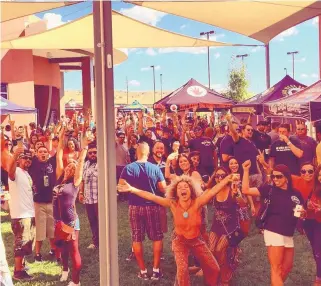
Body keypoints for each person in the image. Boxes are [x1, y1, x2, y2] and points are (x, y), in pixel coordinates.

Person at [118, 174, 238, 286]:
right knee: (182, 270)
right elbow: (151, 196)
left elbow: (212, 191)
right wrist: (132, 189)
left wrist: (227, 179)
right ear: (176, 192)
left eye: (186, 186)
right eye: (180, 187)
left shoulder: (198, 202)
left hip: (196, 241)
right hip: (180, 241)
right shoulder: (172, 204)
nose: (183, 189)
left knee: (214, 268)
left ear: (191, 190)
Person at [242, 160, 305, 286]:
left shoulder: (296, 193)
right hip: (273, 230)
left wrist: (303, 214)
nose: (275, 179)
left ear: (287, 177)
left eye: (279, 176)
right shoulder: (269, 189)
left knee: (287, 267)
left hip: (288, 232)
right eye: (273, 176)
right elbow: (246, 190)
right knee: (275, 268)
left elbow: (301, 213)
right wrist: (246, 170)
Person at [119, 142, 166, 281]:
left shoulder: (128, 168)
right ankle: (156, 271)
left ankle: (143, 271)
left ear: (136, 153)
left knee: (137, 237)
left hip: (134, 206)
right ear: (148, 153)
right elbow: (163, 188)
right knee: (157, 237)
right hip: (152, 205)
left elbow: (121, 187)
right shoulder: (155, 168)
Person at [54, 127, 88, 286]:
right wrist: (61, 138)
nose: (70, 167)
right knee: (62, 249)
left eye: (73, 168)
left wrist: (85, 149)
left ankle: (76, 281)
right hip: (58, 221)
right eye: (69, 166)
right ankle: (65, 270)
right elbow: (59, 156)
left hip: (71, 221)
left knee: (73, 250)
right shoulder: (60, 180)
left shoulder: (74, 184)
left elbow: (80, 163)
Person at [207, 166, 247, 285]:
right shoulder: (214, 190)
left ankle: (225, 277)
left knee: (220, 250)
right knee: (211, 250)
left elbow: (243, 205)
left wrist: (237, 194)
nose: (219, 178)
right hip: (216, 226)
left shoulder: (232, 189)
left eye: (222, 176)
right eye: (217, 176)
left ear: (227, 177)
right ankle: (216, 273)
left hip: (230, 227)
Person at [8, 148, 35, 281]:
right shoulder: (16, 172)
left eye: (30, 158)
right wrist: (14, 156)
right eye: (25, 158)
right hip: (21, 214)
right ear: (19, 160)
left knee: (25, 243)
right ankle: (18, 273)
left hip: (28, 213)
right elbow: (11, 172)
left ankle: (21, 266)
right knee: (20, 243)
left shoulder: (26, 174)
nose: (28, 160)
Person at [28, 145, 57, 262]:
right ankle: (37, 254)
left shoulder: (51, 163)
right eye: (40, 152)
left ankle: (53, 249)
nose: (43, 153)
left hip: (50, 201)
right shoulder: (34, 164)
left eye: (45, 151)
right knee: (40, 228)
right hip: (38, 202)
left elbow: (59, 150)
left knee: (51, 228)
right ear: (37, 154)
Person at [304, 164, 321, 286]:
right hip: (312, 224)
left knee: (319, 251)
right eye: (319, 174)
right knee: (316, 251)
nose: (320, 177)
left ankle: (318, 279)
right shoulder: (316, 189)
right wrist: (308, 207)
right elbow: (310, 208)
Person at [79, 142, 99, 249]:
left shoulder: (102, 164)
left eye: (95, 152)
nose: (92, 155)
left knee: (101, 220)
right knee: (92, 221)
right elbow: (82, 180)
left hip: (99, 198)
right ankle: (95, 242)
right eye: (90, 153)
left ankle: (104, 240)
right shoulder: (86, 164)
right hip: (88, 198)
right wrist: (81, 193)